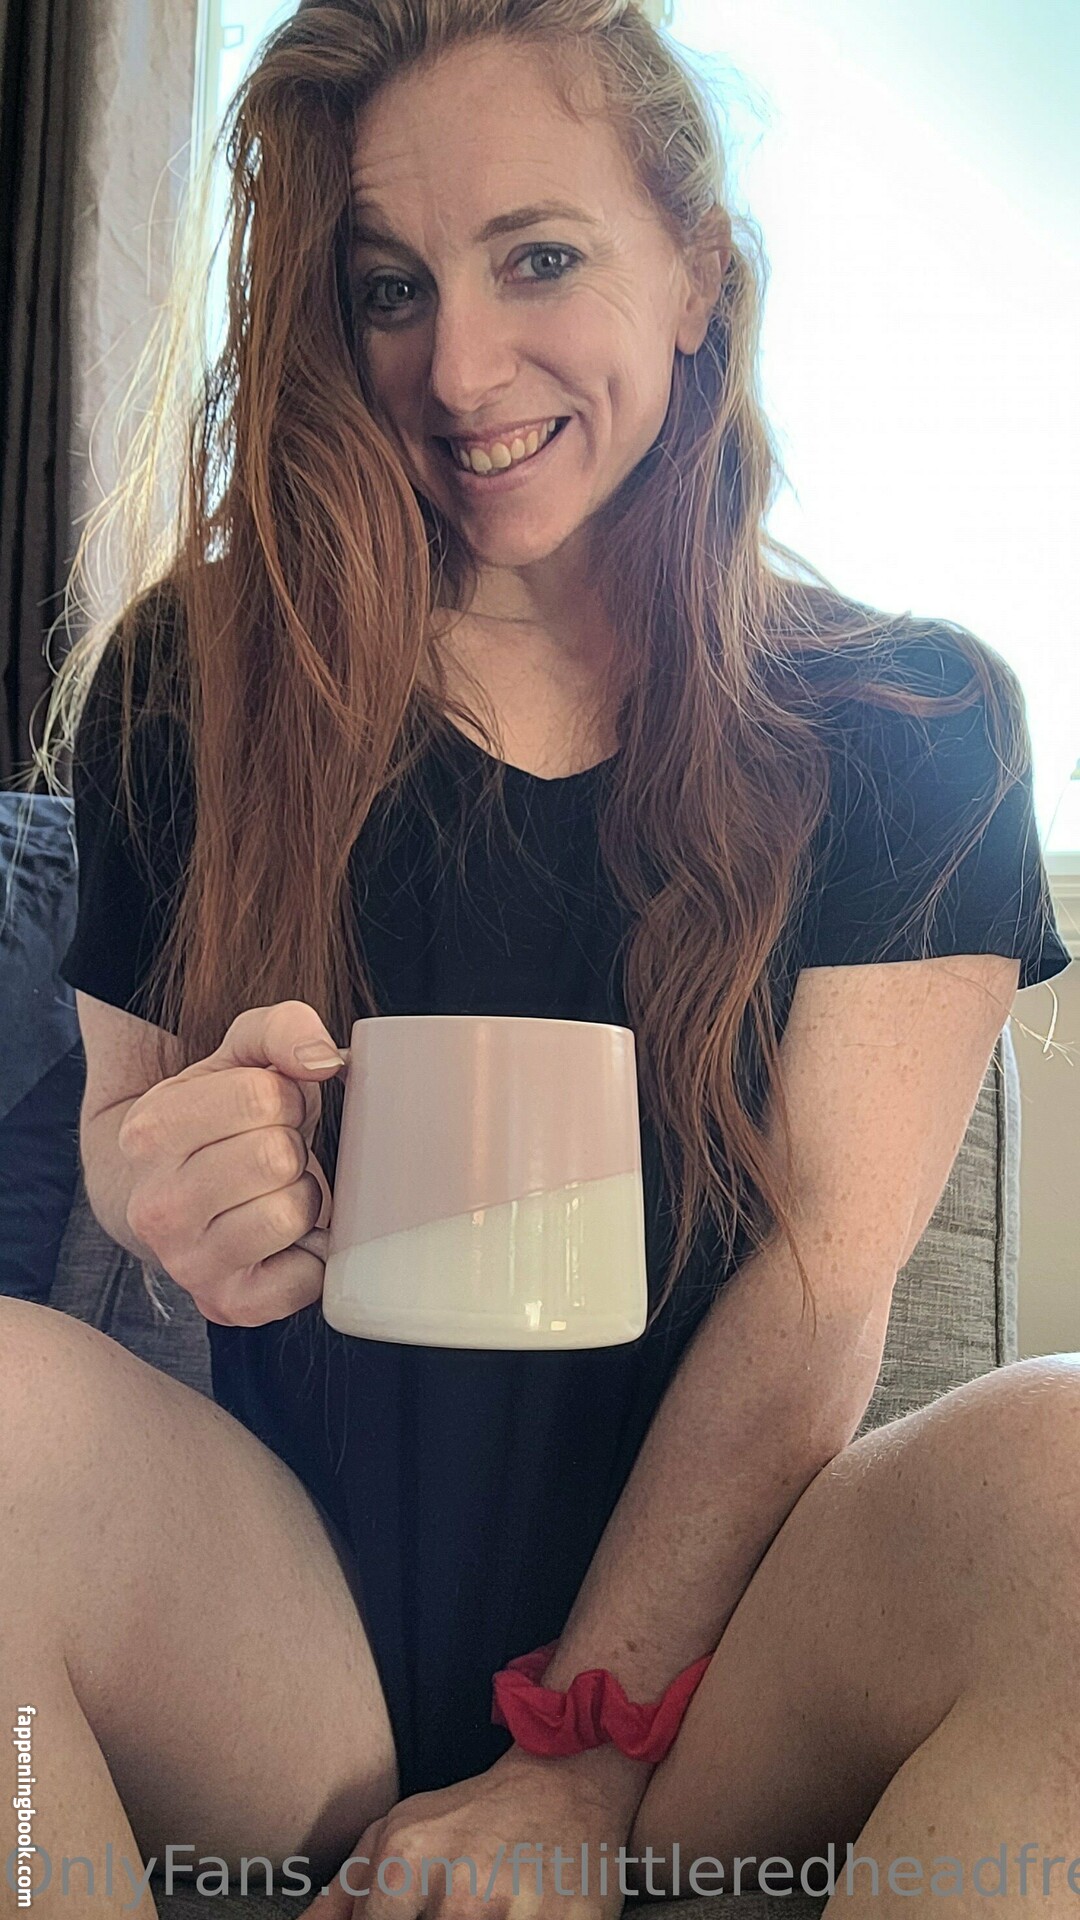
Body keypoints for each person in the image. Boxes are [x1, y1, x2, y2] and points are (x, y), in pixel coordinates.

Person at [13, 0, 1075, 1913]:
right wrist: (168, 1190)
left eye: (542, 259)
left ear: (698, 272)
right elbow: (120, 1126)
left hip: (729, 1668)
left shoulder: (914, 726)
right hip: (288, 1620)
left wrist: (577, 1757)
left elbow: (821, 1285)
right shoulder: (195, 676)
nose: (458, 367)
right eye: (391, 286)